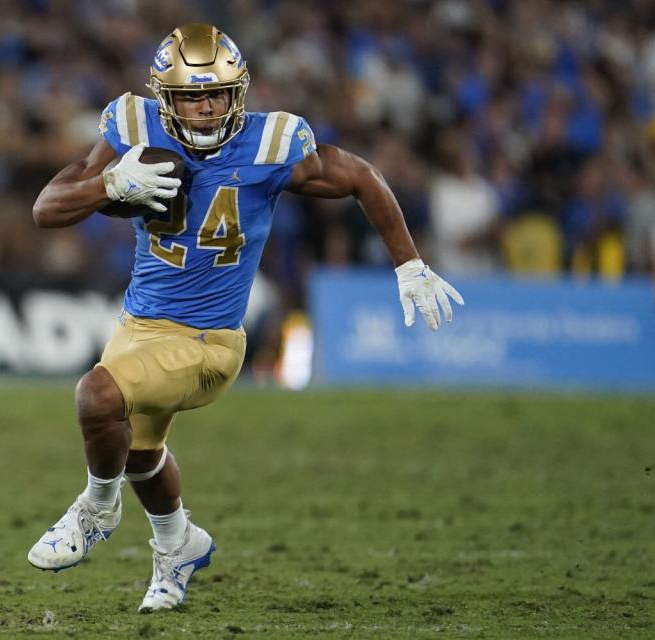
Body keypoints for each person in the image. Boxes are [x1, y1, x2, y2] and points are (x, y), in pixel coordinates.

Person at [27, 24, 464, 613]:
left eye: (217, 94)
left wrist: (408, 264)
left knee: (97, 399)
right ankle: (177, 544)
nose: (206, 108)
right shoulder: (135, 129)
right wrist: (108, 181)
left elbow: (361, 175)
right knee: (137, 452)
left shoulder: (270, 144)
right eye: (190, 96)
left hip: (209, 343)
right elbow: (47, 209)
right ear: (165, 99)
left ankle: (96, 507)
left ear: (239, 93)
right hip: (139, 325)